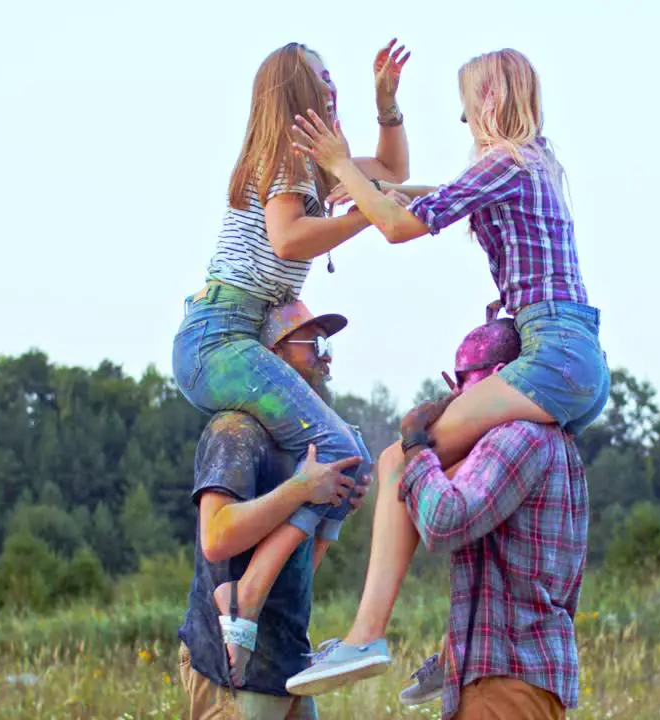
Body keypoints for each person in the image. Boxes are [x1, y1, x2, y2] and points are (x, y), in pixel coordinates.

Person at [286, 47, 609, 684]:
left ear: (487, 100)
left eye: (465, 109)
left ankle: (365, 638)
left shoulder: (504, 162)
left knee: (401, 459)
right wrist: (363, 160)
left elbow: (400, 227)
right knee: (458, 471)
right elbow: (431, 194)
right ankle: (459, 649)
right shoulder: (534, 164)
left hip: (552, 356)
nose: (463, 124)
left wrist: (336, 164)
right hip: (571, 355)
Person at [171, 39, 409, 685]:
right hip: (220, 337)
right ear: (295, 94)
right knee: (337, 448)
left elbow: (390, 167)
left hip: (239, 334)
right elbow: (288, 237)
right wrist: (367, 216)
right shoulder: (282, 158)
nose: (333, 88)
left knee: (350, 459)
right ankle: (244, 598)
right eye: (322, 79)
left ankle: (272, 598)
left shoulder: (312, 165)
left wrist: (387, 105)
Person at [290, 315, 589, 720]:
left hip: (505, 678)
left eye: (462, 380)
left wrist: (414, 446)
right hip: (514, 674)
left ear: (499, 377)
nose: (455, 396)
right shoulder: (548, 438)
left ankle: (365, 637)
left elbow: (444, 523)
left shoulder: (518, 435)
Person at [178, 299, 372, 720]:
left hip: (287, 663)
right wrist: (302, 489)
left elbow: (300, 571)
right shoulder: (236, 430)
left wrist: (332, 506)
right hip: (233, 673)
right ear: (272, 356)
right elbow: (216, 537)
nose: (325, 358)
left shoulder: (306, 440)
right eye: (313, 343)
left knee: (359, 455)